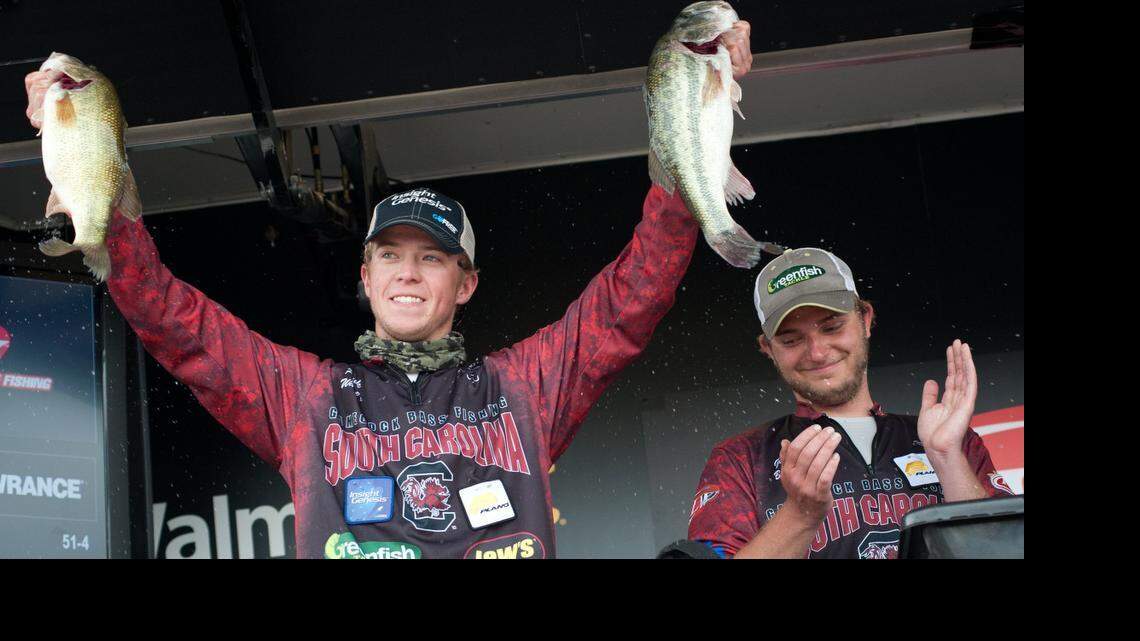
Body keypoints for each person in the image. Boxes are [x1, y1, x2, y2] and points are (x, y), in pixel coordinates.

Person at [25, 23, 756, 559]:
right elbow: (173, 323)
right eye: (391, 256)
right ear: (365, 276)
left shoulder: (524, 386)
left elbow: (632, 298)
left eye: (432, 258)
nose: (409, 272)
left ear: (465, 282)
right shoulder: (302, 395)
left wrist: (696, 116)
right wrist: (87, 166)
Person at [687, 247, 1014, 559]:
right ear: (768, 349)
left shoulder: (952, 442)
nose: (817, 352)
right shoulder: (741, 459)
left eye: (832, 327)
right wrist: (800, 514)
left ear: (866, 319)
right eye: (791, 339)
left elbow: (1006, 551)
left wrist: (947, 459)